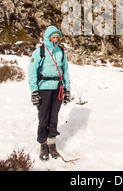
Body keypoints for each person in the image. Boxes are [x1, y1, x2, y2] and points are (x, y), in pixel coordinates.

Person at [28, 25, 71, 161]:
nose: (56, 39)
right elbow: (32, 72)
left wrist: (67, 90)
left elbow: (66, 72)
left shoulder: (61, 52)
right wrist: (34, 91)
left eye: (57, 36)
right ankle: (43, 144)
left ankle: (52, 145)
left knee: (54, 118)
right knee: (44, 118)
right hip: (43, 89)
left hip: (57, 89)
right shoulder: (39, 52)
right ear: (48, 37)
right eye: (53, 36)